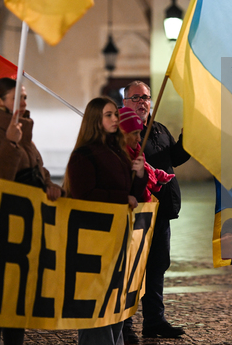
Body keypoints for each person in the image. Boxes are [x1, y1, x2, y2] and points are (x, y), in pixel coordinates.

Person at [0, 78, 64, 345]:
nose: (24, 103)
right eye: (18, 98)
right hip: (3, 228)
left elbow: (38, 168)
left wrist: (50, 184)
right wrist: (11, 143)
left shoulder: (22, 130)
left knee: (18, 301)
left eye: (25, 97)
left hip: (25, 226)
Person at [65, 96, 147, 345]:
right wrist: (122, 198)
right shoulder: (84, 155)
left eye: (115, 114)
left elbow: (134, 192)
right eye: (109, 115)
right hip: (93, 243)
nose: (115, 119)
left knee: (115, 308)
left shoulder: (116, 152)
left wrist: (140, 175)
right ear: (95, 121)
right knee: (97, 310)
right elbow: (84, 195)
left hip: (116, 241)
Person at [121, 81, 190, 341]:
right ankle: (124, 323)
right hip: (137, 210)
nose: (142, 102)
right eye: (135, 97)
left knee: (158, 265)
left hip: (161, 211)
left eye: (145, 97)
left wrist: (186, 140)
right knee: (131, 267)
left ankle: (154, 320)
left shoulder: (158, 128)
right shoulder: (122, 130)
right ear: (125, 101)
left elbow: (174, 158)